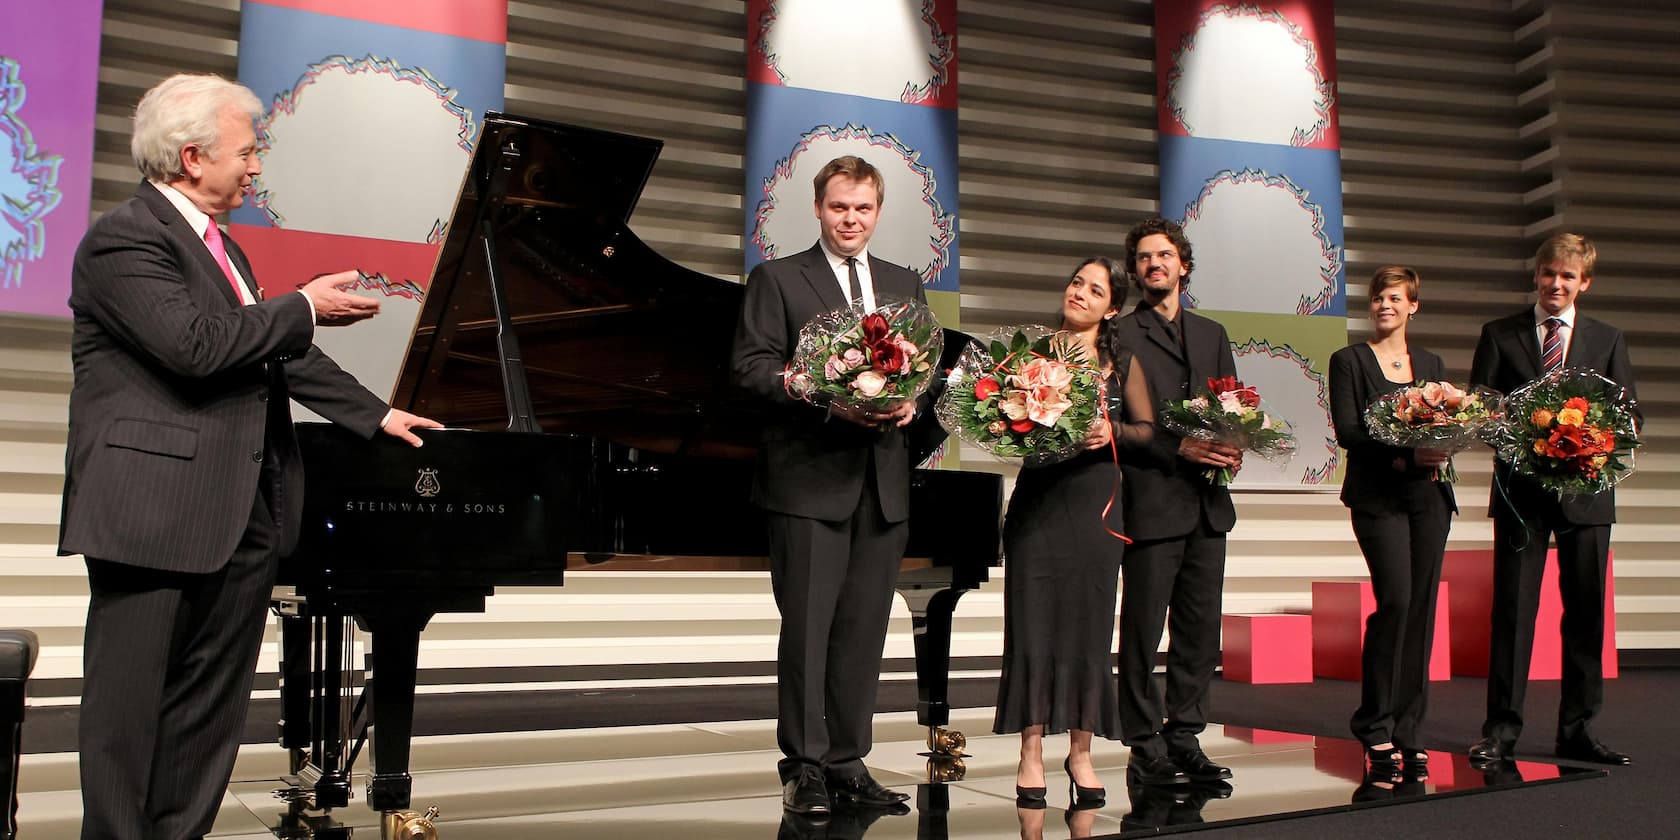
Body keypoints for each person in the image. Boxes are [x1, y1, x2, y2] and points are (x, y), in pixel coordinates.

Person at [57, 73, 441, 839]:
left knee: (207, 719)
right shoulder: (126, 238)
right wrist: (301, 305)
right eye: (248, 150)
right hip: (152, 514)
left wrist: (376, 413)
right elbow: (196, 348)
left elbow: (275, 356)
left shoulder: (222, 247)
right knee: (129, 718)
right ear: (193, 157)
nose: (257, 166)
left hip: (241, 518)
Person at [730, 155, 924, 815]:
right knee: (808, 631)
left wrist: (911, 403)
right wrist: (813, 387)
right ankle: (805, 767)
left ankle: (847, 761)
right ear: (818, 208)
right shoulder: (779, 279)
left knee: (864, 633)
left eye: (863, 208)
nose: (851, 219)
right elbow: (751, 369)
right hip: (808, 481)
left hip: (883, 482)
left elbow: (921, 373)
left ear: (877, 211)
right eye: (840, 207)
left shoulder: (905, 283)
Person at [1467, 233, 1638, 767]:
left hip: (1588, 499)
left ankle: (1578, 730)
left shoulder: (1608, 339)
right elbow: (1479, 411)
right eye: (1549, 273)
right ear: (1536, 275)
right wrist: (1527, 443)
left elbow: (1629, 418)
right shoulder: (1500, 335)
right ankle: (1501, 730)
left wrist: (1590, 446)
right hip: (1521, 498)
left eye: (1568, 276)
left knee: (1586, 616)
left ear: (1584, 282)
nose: (1556, 283)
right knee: (1513, 615)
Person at [993, 257, 1154, 806]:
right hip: (1039, 502)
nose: (1079, 294)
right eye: (1076, 283)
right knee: (1032, 625)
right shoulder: (1030, 353)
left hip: (1095, 506)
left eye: (1095, 289)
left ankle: (1081, 750)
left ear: (1112, 307)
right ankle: (1031, 751)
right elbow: (1001, 426)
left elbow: (1147, 430)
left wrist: (1107, 429)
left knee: (1088, 626)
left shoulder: (1120, 359)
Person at [1112, 217, 1240, 786]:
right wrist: (1177, 445)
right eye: (1143, 258)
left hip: (1208, 503)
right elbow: (1116, 422)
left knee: (1199, 630)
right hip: (1152, 499)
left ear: (1183, 264)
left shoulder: (1212, 333)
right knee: (1141, 630)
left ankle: (1184, 734)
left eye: (1163, 255)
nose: (1153, 264)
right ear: (1136, 270)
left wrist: (1236, 444)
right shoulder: (1120, 332)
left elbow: (1234, 403)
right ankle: (1144, 742)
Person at [1327, 265, 1456, 775]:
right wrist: (1406, 456)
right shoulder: (1350, 361)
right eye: (1379, 297)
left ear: (1413, 306)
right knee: (1396, 601)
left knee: (1421, 611)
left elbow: (1445, 422)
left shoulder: (1430, 361)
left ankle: (1410, 731)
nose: (1385, 305)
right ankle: (1374, 724)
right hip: (1378, 497)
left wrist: (1444, 444)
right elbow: (1350, 431)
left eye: (1396, 297)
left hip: (1428, 499)